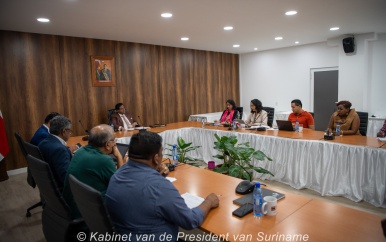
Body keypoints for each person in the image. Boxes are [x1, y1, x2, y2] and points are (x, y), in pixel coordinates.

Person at [105, 131, 219, 241]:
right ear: (156, 158)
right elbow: (190, 221)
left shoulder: (117, 174)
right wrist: (208, 201)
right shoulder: (159, 186)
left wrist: (155, 175)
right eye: (161, 153)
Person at [62, 124, 124, 218]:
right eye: (114, 140)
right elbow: (121, 186)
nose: (115, 143)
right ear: (107, 144)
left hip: (74, 206)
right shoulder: (104, 161)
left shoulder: (81, 151)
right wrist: (119, 157)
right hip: (90, 214)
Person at [38, 116, 76, 190]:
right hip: (61, 190)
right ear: (64, 131)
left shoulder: (42, 143)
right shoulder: (61, 150)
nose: (70, 133)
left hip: (47, 187)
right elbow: (66, 180)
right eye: (70, 131)